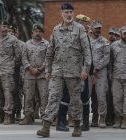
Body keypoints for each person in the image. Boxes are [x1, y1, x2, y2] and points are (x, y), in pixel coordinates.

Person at [36, 3, 91, 137]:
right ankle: (46, 127)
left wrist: (86, 69)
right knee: (53, 97)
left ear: (73, 13)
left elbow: (87, 51)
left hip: (74, 72)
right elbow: (49, 53)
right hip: (57, 71)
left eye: (71, 12)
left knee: (75, 99)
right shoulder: (56, 30)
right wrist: (48, 70)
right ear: (61, 13)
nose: (69, 15)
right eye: (66, 12)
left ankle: (77, 126)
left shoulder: (80, 29)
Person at [0, 20, 21, 125]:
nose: (5, 29)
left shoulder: (13, 40)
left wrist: (10, 65)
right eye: (4, 26)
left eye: (7, 26)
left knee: (8, 93)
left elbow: (18, 55)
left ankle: (8, 116)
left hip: (7, 71)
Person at [20, 23, 49, 125]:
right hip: (29, 75)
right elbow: (23, 58)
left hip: (42, 75)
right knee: (28, 96)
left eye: (40, 31)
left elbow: (48, 58)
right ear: (32, 33)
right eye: (36, 31)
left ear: (42, 33)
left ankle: (45, 117)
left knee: (44, 96)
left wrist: (41, 69)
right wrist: (31, 68)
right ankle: (28, 117)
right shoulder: (27, 44)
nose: (38, 33)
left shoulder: (47, 44)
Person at [89, 20, 110, 128]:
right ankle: (93, 118)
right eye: (96, 28)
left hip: (100, 73)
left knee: (101, 96)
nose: (98, 30)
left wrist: (96, 68)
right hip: (88, 73)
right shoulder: (86, 41)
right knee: (88, 96)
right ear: (91, 29)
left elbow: (106, 57)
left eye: (99, 28)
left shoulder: (105, 42)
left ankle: (102, 118)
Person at [75, 14, 92, 131]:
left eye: (86, 24)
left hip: (82, 71)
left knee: (84, 97)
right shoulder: (72, 35)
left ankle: (85, 123)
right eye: (83, 23)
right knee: (71, 97)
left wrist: (87, 71)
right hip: (71, 70)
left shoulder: (85, 37)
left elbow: (89, 56)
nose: (86, 26)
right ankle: (73, 120)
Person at [110, 25, 126, 129]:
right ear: (121, 34)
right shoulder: (114, 45)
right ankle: (118, 118)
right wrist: (110, 73)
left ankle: (125, 119)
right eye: (125, 33)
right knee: (116, 99)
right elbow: (110, 61)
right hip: (116, 76)